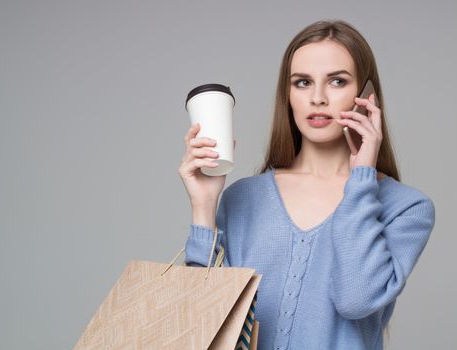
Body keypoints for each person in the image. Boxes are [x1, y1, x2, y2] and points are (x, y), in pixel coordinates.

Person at [178, 19, 435, 350]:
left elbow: (356, 299)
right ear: (287, 96)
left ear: (366, 96)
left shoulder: (407, 209)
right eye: (302, 82)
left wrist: (361, 179)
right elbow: (202, 323)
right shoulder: (244, 197)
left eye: (337, 81)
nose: (317, 98)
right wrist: (203, 207)